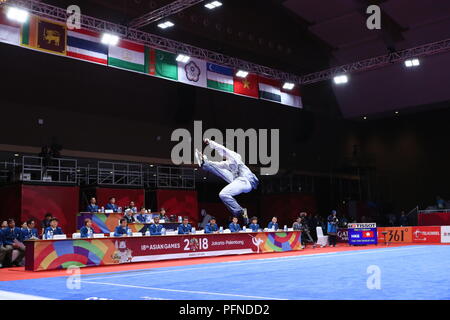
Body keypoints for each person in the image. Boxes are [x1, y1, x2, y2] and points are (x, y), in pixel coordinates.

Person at [195, 139, 259, 224]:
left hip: (246, 181)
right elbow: (217, 166)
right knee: (219, 169)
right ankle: (205, 163)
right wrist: (205, 160)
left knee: (223, 194)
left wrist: (210, 142)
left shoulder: (235, 156)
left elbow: (221, 148)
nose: (223, 157)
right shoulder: (228, 163)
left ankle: (241, 211)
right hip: (238, 180)